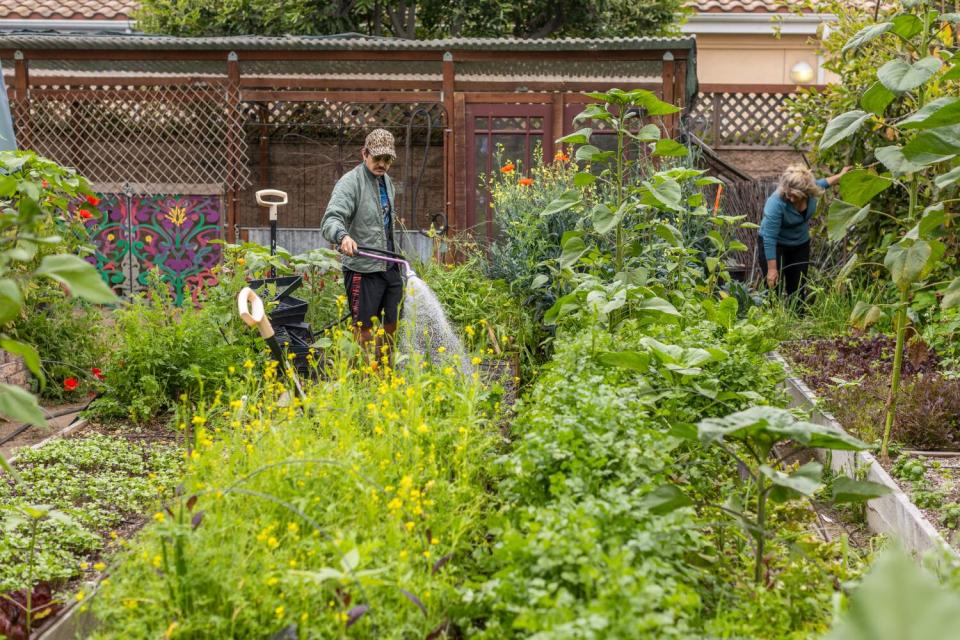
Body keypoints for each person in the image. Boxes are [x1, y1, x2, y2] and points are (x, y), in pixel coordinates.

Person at [321, 128, 401, 351]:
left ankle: (386, 373)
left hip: (389, 263)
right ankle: (365, 378)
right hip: (363, 268)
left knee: (392, 324)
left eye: (387, 160)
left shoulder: (387, 182)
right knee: (364, 330)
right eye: (377, 158)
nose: (382, 164)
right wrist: (343, 236)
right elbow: (331, 219)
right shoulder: (350, 183)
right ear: (364, 153)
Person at [758, 164, 851, 301]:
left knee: (798, 288)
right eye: (787, 193)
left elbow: (824, 183)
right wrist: (772, 269)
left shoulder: (811, 191)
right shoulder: (776, 202)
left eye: (794, 195)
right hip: (775, 245)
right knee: (773, 287)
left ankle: (797, 318)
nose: (790, 198)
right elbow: (770, 237)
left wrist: (840, 176)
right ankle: (771, 319)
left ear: (806, 192)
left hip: (800, 243)